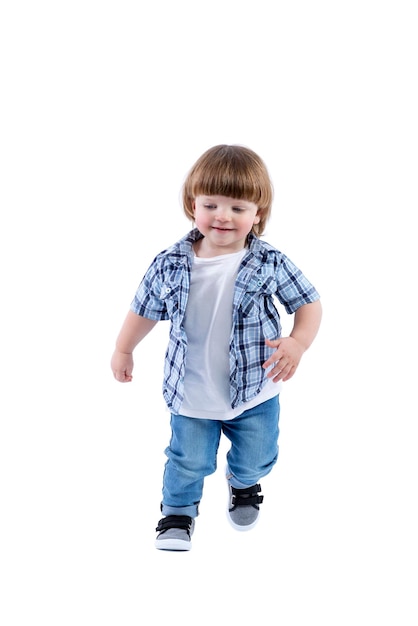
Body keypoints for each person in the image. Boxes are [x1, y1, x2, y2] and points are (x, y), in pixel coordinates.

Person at [111, 144, 322, 551]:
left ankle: (243, 483)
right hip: (192, 392)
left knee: (259, 456)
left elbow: (309, 303)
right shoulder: (170, 262)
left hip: (256, 389)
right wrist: (124, 348)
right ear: (193, 205)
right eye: (212, 204)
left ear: (257, 214)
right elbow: (144, 310)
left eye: (238, 208)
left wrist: (298, 342)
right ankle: (177, 512)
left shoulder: (270, 262)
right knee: (187, 460)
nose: (223, 216)